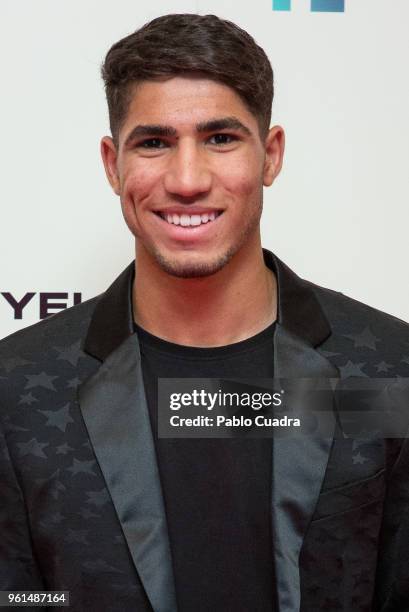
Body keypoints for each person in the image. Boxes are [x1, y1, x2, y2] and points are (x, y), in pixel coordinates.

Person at [1, 12, 409, 612]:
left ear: (270, 156)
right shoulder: (17, 389)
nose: (187, 179)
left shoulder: (386, 369)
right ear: (113, 164)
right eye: (154, 142)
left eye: (220, 138)